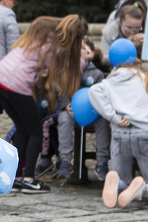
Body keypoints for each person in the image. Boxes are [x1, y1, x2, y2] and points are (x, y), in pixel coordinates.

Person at [0, 14, 87, 193]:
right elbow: (59, 72)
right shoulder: (57, 47)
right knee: (35, 130)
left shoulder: (43, 36)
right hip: (16, 84)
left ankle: (17, 178)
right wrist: (83, 61)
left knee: (22, 128)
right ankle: (29, 179)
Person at [89, 60, 148, 209]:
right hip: (145, 132)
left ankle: (116, 183)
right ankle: (142, 189)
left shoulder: (110, 81)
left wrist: (113, 117)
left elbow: (93, 91)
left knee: (123, 179)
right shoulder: (147, 78)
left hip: (119, 133)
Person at [45, 35, 109, 182]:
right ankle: (66, 160)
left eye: (81, 48)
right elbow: (60, 89)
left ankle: (102, 162)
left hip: (93, 113)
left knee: (103, 123)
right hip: (72, 112)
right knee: (63, 119)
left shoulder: (97, 74)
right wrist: (65, 104)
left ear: (90, 53)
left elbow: (101, 94)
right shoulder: (67, 71)